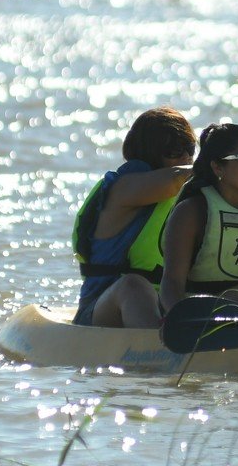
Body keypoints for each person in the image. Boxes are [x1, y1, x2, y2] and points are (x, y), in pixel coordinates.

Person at [72, 107, 196, 327]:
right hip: (104, 308)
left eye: (190, 148)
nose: (186, 157)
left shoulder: (189, 195)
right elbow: (173, 180)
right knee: (133, 285)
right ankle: (161, 351)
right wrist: (225, 169)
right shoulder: (124, 188)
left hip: (164, 304)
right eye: (175, 150)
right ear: (149, 153)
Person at [159, 123, 238, 315]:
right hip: (204, 316)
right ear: (218, 167)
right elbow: (171, 283)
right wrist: (180, 320)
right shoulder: (192, 212)